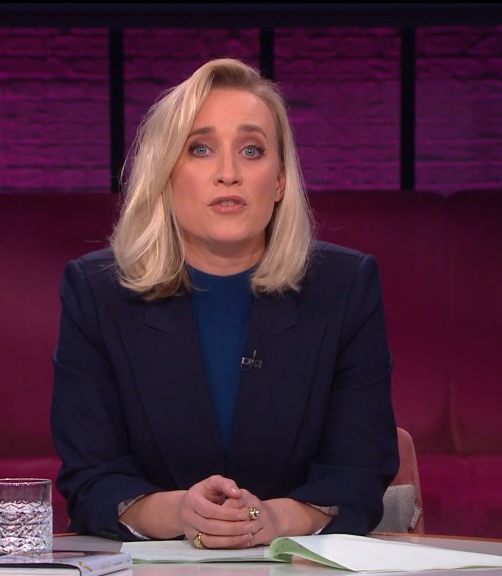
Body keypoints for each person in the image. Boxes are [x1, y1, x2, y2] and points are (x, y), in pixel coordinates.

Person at [51, 57, 398, 550]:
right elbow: (91, 479)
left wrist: (271, 519)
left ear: (280, 180)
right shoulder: (97, 291)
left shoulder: (344, 287)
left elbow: (359, 473)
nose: (228, 174)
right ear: (166, 174)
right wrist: (179, 511)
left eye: (252, 150)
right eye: (201, 149)